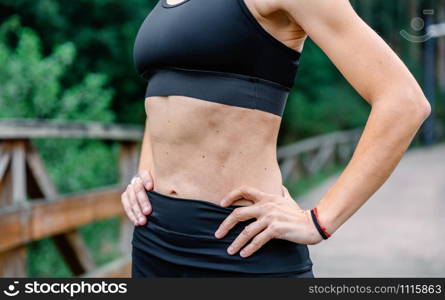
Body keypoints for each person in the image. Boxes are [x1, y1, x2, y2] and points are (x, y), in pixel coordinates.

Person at [122, 0, 431, 277]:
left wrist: (320, 221)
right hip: (153, 240)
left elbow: (403, 102)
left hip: (239, 244)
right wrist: (144, 172)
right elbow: (164, 94)